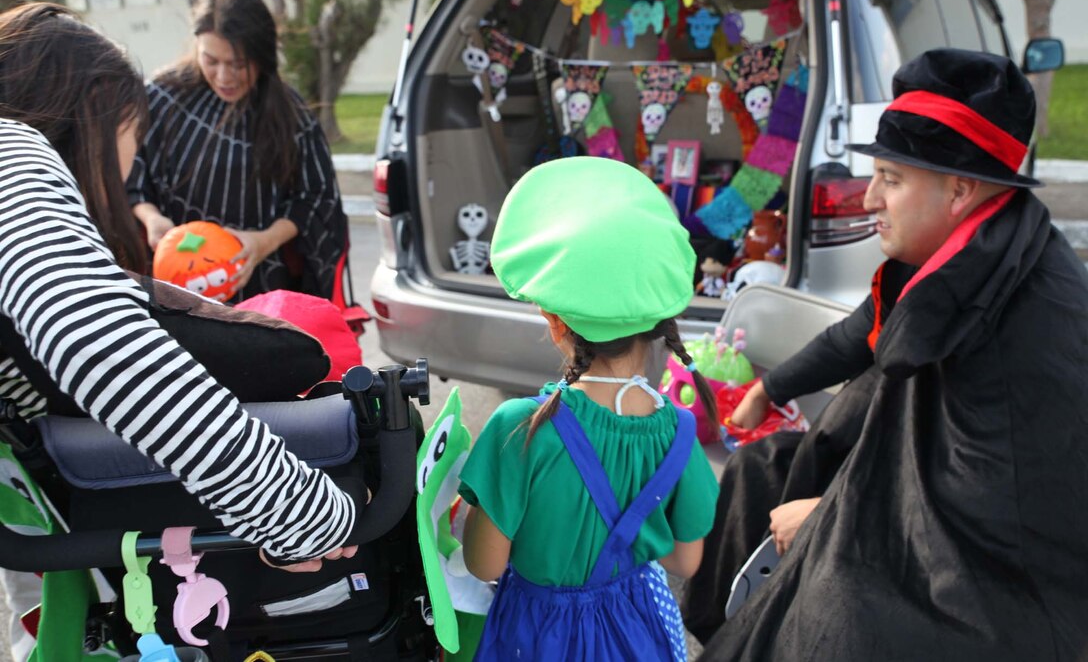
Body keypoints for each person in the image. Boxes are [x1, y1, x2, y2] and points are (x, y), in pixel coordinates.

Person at [687, 48, 1088, 660]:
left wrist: (824, 518)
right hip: (912, 489)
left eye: (890, 180)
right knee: (755, 472)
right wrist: (770, 390)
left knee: (832, 615)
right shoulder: (972, 249)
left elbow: (983, 517)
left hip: (997, 591)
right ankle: (715, 628)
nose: (868, 199)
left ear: (959, 190)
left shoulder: (1030, 331)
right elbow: (858, 335)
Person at [0, 4, 359, 568]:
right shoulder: (11, 151)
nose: (130, 165)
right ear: (95, 111)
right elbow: (96, 342)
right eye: (132, 135)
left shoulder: (289, 117)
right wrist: (301, 512)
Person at [457, 156, 721, 661]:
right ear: (660, 319)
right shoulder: (680, 434)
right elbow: (685, 561)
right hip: (637, 629)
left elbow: (485, 566)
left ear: (556, 324)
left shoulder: (520, 429)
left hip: (536, 638)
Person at [127, 0, 347, 301]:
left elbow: (316, 198)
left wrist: (264, 242)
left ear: (263, 55)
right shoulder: (161, 98)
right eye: (211, 60)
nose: (224, 77)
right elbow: (130, 169)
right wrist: (151, 218)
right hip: (174, 287)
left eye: (238, 64)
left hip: (263, 289)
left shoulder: (292, 115)